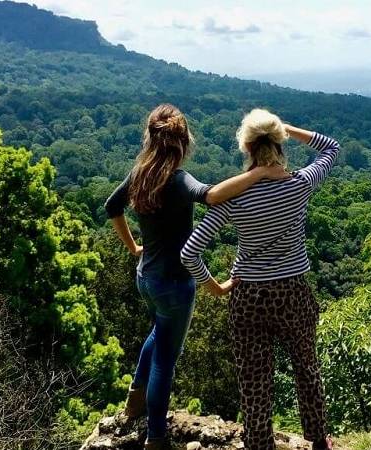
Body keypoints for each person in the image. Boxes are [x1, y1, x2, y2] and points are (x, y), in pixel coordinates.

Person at [104, 104, 287, 450]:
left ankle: (134, 399)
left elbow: (112, 207)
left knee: (158, 333)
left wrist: (133, 247)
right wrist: (261, 172)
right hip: (175, 284)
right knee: (165, 361)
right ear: (183, 140)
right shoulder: (177, 179)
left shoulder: (140, 172)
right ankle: (156, 437)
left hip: (146, 278)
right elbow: (213, 195)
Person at [181, 109, 339, 450]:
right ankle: (318, 440)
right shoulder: (300, 184)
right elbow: (331, 147)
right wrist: (286, 127)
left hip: (248, 297)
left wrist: (216, 288)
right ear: (279, 141)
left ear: (247, 147)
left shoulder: (234, 198)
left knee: (254, 382)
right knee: (306, 369)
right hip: (293, 292)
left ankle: (259, 444)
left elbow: (189, 252)